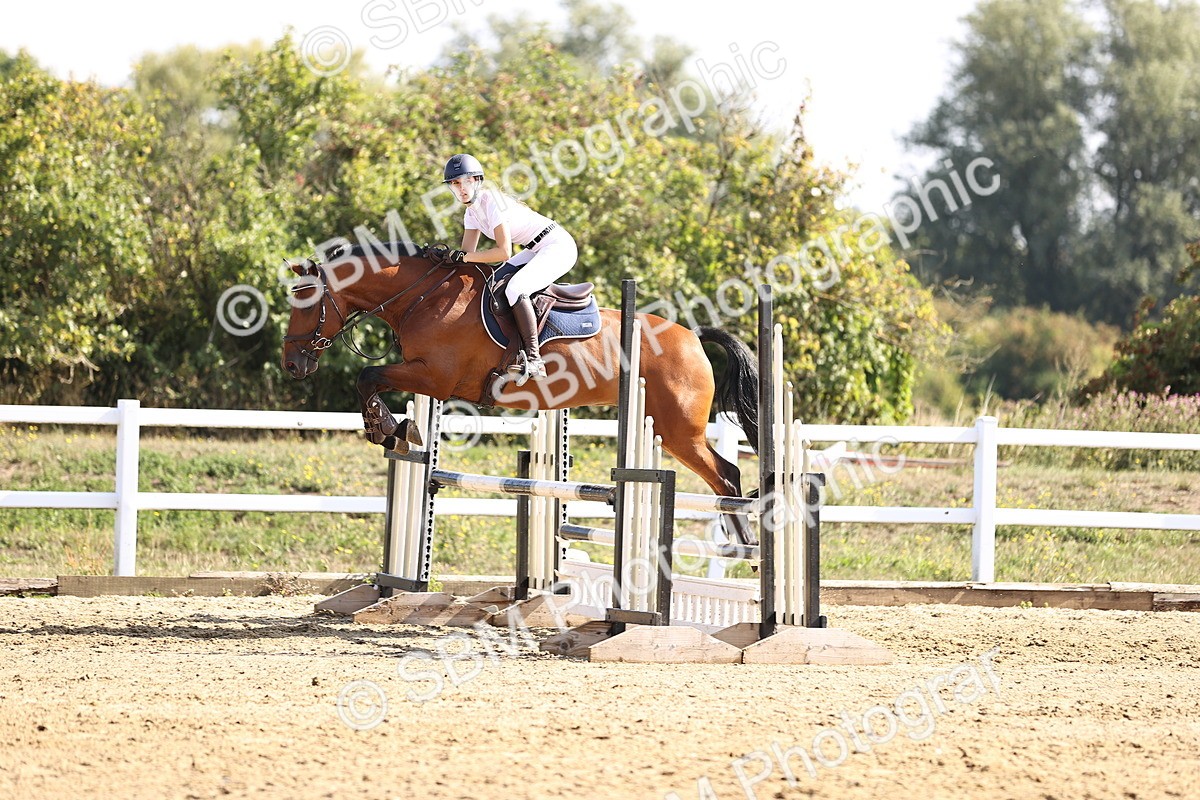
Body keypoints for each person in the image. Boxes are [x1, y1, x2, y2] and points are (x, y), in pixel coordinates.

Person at [443, 153, 578, 384]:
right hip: (535, 248)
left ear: (477, 181)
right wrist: (445, 258)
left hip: (557, 245)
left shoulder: (491, 201)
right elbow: (467, 255)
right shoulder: (471, 213)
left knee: (515, 288)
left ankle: (535, 359)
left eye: (466, 181)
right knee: (495, 281)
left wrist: (463, 258)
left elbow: (504, 252)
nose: (461, 188)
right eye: (455, 183)